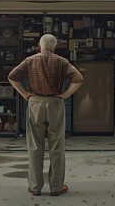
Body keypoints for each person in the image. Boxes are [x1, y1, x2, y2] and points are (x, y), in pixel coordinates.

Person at [8, 34, 84, 196]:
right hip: (55, 103)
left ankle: (35, 187)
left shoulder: (29, 61)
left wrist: (25, 94)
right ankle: (56, 187)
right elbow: (78, 78)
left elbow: (12, 77)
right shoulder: (62, 61)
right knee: (57, 146)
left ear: (39, 45)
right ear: (55, 47)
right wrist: (65, 94)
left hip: (35, 102)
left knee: (35, 145)